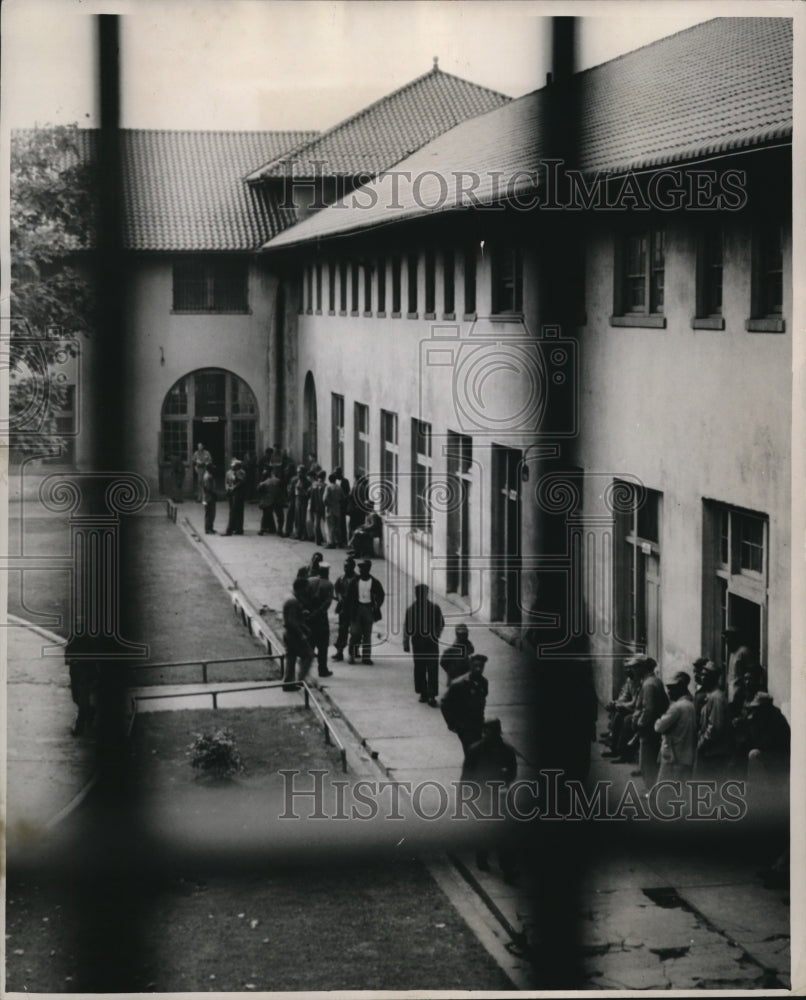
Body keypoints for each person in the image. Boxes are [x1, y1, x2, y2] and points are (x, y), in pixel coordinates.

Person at [462, 718, 519, 882]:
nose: (491, 735)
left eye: (493, 732)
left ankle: (507, 868)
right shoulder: (475, 751)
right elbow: (467, 776)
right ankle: (483, 857)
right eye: (488, 732)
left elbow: (512, 772)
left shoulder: (505, 751)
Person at [630, 655, 668, 791]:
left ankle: (652, 792)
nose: (632, 670)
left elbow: (648, 710)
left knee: (647, 764)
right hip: (653, 728)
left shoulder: (649, 684)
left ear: (642, 668)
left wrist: (639, 724)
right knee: (649, 762)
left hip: (649, 731)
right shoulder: (653, 681)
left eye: (635, 667)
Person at [403, 584, 445, 706]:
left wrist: (436, 634)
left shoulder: (435, 608)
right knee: (420, 668)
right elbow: (407, 627)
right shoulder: (411, 610)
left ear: (427, 594)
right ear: (416, 595)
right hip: (418, 643)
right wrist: (406, 642)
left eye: (423, 593)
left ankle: (432, 695)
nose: (421, 596)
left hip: (431, 643)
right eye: (419, 593)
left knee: (432, 668)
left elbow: (441, 623)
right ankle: (423, 693)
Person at [440, 653, 488, 752]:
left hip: (478, 723)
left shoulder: (484, 682)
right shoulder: (458, 684)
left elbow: (482, 699)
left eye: (481, 666)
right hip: (464, 725)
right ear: (470, 665)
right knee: (471, 751)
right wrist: (452, 724)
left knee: (478, 752)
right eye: (476, 666)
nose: (478, 669)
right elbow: (444, 703)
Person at [654, 670, 696, 784]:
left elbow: (658, 727)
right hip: (686, 755)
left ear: (681, 688)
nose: (669, 692)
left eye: (672, 688)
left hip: (673, 755)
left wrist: (659, 719)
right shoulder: (691, 704)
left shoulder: (676, 707)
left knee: (665, 791)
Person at [344, 558, 385, 664]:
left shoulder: (374, 582)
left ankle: (366, 657)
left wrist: (377, 606)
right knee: (354, 633)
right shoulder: (355, 581)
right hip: (356, 609)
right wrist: (348, 611)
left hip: (368, 609)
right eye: (360, 568)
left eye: (364, 568)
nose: (361, 570)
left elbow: (381, 594)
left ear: (368, 569)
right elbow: (349, 596)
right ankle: (351, 655)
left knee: (367, 634)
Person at [695, 660, 731, 779]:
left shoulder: (717, 698)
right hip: (711, 751)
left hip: (714, 753)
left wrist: (701, 744)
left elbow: (714, 727)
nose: (702, 678)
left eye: (706, 675)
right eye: (702, 674)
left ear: (713, 678)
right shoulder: (711, 696)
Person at [602, 659, 638, 763]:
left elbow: (636, 702)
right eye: (626, 668)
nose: (627, 670)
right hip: (634, 708)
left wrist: (620, 705)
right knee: (618, 714)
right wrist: (616, 703)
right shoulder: (630, 680)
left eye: (630, 668)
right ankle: (614, 747)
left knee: (626, 720)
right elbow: (626, 695)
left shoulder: (641, 682)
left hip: (638, 710)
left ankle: (624, 753)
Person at [65, 629, 99, 737]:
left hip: (86, 670)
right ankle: (90, 713)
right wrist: (68, 658)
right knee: (76, 697)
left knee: (82, 697)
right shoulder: (74, 633)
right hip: (75, 669)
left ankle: (79, 727)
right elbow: (69, 647)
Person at [282, 578, 314, 690]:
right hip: (293, 635)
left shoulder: (291, 598)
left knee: (291, 658)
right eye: (306, 588)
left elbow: (294, 618)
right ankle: (301, 680)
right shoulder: (293, 601)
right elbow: (291, 621)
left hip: (289, 634)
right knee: (308, 654)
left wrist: (304, 625)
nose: (307, 590)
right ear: (301, 588)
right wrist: (302, 634)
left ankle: (288, 683)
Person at [305, 560, 335, 679]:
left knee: (310, 644)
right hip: (321, 620)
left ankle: (306, 670)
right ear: (327, 572)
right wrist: (317, 613)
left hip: (309, 618)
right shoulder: (328, 584)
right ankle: (322, 669)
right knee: (322, 646)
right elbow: (326, 604)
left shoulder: (309, 581)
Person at [332, 557, 356, 661]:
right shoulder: (340, 579)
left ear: (353, 567)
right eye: (345, 566)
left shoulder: (357, 579)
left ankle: (354, 651)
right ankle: (339, 651)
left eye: (348, 566)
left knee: (355, 631)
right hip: (343, 609)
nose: (346, 568)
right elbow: (336, 590)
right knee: (342, 630)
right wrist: (339, 597)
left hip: (354, 608)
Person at [256, 466, 283, 535]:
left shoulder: (264, 482)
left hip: (268, 501)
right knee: (280, 516)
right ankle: (280, 530)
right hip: (277, 500)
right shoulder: (277, 480)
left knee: (265, 515)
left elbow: (258, 489)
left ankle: (262, 529)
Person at [224, 458, 247, 535]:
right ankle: (234, 527)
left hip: (238, 493)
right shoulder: (229, 473)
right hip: (231, 492)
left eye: (235, 466)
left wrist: (234, 487)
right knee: (232, 510)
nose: (233, 467)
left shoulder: (241, 472)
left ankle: (236, 528)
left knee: (237, 511)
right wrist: (227, 488)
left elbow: (241, 482)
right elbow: (227, 481)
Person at [323, 472, 345, 548]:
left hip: (330, 508)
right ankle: (338, 541)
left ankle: (331, 542)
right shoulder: (339, 487)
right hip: (337, 508)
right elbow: (343, 498)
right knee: (337, 526)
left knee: (330, 526)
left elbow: (325, 499)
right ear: (335, 479)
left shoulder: (328, 487)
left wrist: (328, 505)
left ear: (329, 480)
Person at [308, 469, 327, 546]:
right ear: (324, 477)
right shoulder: (325, 486)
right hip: (323, 506)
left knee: (316, 523)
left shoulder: (314, 485)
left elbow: (311, 496)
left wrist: (312, 506)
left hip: (315, 506)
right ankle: (328, 539)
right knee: (326, 523)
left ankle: (318, 539)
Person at [201, 461, 217, 534]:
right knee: (209, 514)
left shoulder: (208, 475)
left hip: (208, 497)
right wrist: (215, 494)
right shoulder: (208, 476)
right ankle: (208, 529)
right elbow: (208, 488)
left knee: (211, 514)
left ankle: (210, 527)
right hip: (208, 497)